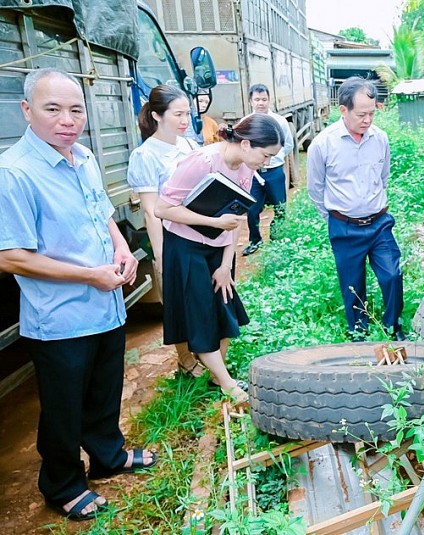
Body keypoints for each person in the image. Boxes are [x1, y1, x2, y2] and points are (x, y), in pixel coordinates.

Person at [0, 68, 158, 521]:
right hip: (61, 317)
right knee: (64, 407)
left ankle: (109, 456)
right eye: (53, 109)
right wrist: (90, 275)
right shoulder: (15, 173)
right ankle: (62, 483)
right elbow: (11, 257)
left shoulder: (83, 156)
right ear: (27, 111)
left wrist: (123, 248)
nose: (67, 119)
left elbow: (102, 213)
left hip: (105, 306)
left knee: (104, 391)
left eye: (76, 109)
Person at [154, 113, 284, 403]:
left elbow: (236, 218)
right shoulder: (202, 162)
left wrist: (226, 265)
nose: (266, 163)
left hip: (219, 247)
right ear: (247, 144)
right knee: (200, 314)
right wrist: (213, 223)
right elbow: (162, 209)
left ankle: (215, 373)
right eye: (265, 156)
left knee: (225, 309)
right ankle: (228, 386)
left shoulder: (246, 168)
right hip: (186, 246)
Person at [307, 76, 405, 340]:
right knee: (352, 284)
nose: (368, 120)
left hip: (379, 223)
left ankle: (393, 327)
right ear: (343, 110)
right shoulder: (323, 143)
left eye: (372, 113)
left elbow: (383, 177)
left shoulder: (380, 139)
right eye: (361, 114)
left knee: (392, 275)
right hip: (344, 226)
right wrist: (338, 216)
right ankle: (359, 331)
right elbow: (316, 188)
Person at [127, 84, 208, 378]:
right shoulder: (145, 155)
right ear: (158, 116)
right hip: (172, 238)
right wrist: (161, 257)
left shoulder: (188, 145)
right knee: (179, 303)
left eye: (188, 113)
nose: (185, 120)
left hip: (199, 232)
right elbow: (150, 210)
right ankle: (186, 361)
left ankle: (204, 353)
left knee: (201, 297)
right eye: (179, 114)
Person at [242, 84, 295, 256]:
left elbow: (288, 144)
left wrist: (271, 157)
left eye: (264, 99)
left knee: (279, 207)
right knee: (252, 209)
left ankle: (277, 239)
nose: (261, 103)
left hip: (274, 171)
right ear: (251, 101)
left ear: (269, 100)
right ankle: (254, 240)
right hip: (253, 174)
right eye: (257, 100)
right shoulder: (245, 123)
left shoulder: (279, 121)